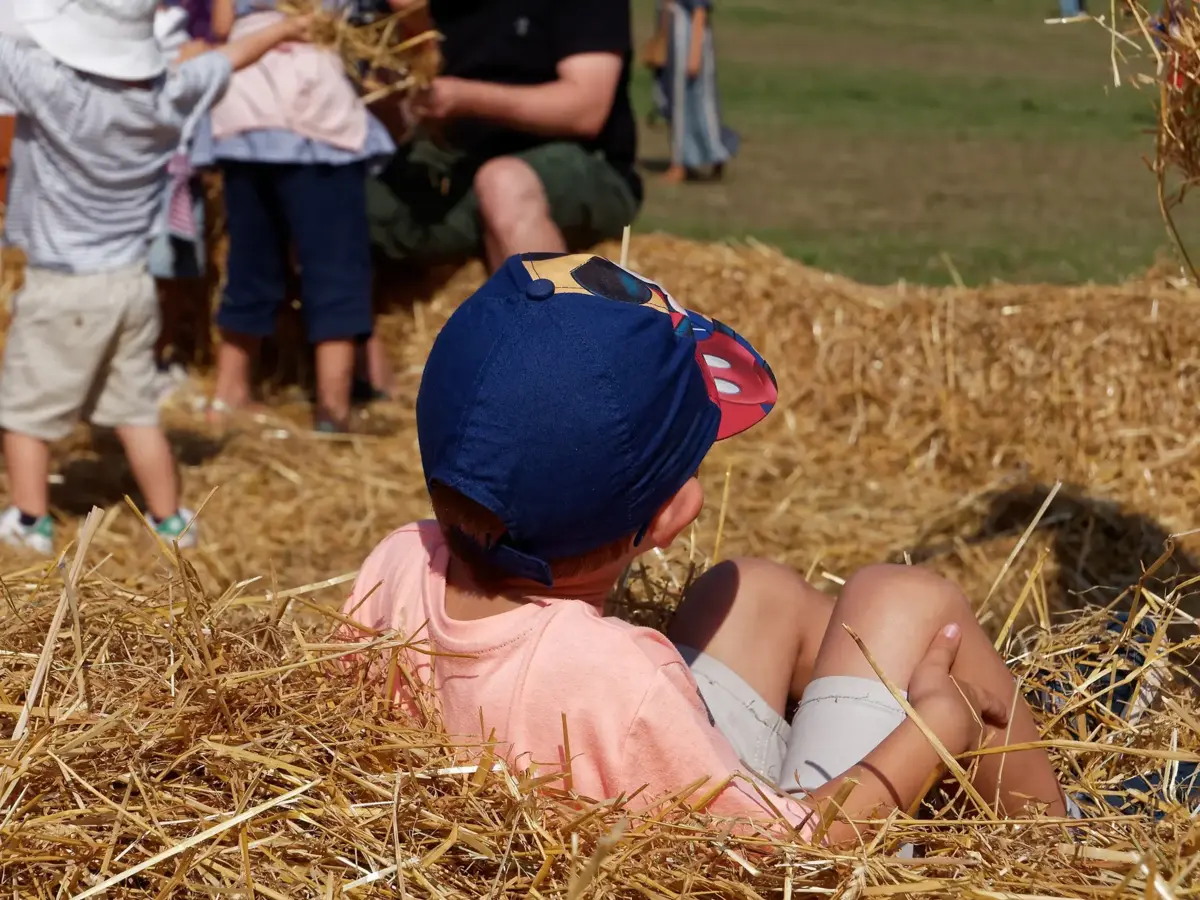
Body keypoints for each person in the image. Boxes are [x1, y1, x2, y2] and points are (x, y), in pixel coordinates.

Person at [340, 252, 1072, 843]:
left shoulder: (400, 559)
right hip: (774, 857)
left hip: (612, 814)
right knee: (911, 599)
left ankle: (863, 700)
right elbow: (795, 858)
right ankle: (1069, 860)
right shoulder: (622, 680)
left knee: (751, 590)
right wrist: (935, 725)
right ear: (674, 515)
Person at [0, 0, 309, 554]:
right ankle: (171, 521)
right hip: (132, 285)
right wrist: (289, 26)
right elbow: (231, 55)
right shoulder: (168, 93)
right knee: (136, 413)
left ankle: (28, 521)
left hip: (64, 286)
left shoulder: (54, 89)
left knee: (24, 415)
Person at [193, 0, 397, 432]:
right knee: (336, 265)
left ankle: (227, 397)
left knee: (250, 261)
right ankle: (333, 410)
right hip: (313, 109)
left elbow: (222, 23)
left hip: (245, 105)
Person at [367, 0, 643, 274]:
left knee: (503, 183)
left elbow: (586, 109)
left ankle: (552, 317)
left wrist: (463, 98)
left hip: (582, 162)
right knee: (342, 192)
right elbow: (392, 118)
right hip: (455, 165)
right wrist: (411, 21)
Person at [660, 0, 739, 184]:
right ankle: (710, 155)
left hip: (687, 41)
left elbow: (700, 10)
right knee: (683, 104)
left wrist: (694, 54)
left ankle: (681, 164)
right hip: (676, 39)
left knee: (692, 105)